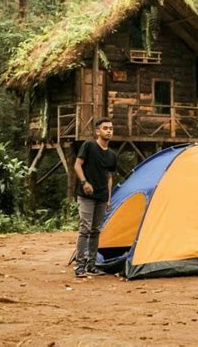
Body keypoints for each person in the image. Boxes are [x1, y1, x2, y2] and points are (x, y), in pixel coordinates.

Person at [73, 117, 117, 278]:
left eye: (111, 128)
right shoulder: (89, 145)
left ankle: (91, 265)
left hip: (102, 197)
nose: (109, 131)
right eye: (105, 128)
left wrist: (109, 198)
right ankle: (79, 266)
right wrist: (84, 182)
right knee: (85, 229)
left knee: (96, 230)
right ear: (97, 131)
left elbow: (109, 177)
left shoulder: (112, 155)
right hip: (86, 196)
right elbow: (77, 165)